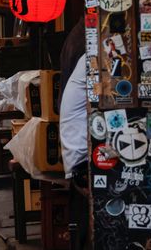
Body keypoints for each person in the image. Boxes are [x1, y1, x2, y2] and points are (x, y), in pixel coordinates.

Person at [58, 20, 90, 250]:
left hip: (75, 147)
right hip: (81, 151)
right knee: (86, 221)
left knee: (80, 219)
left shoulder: (77, 35)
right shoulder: (91, 50)